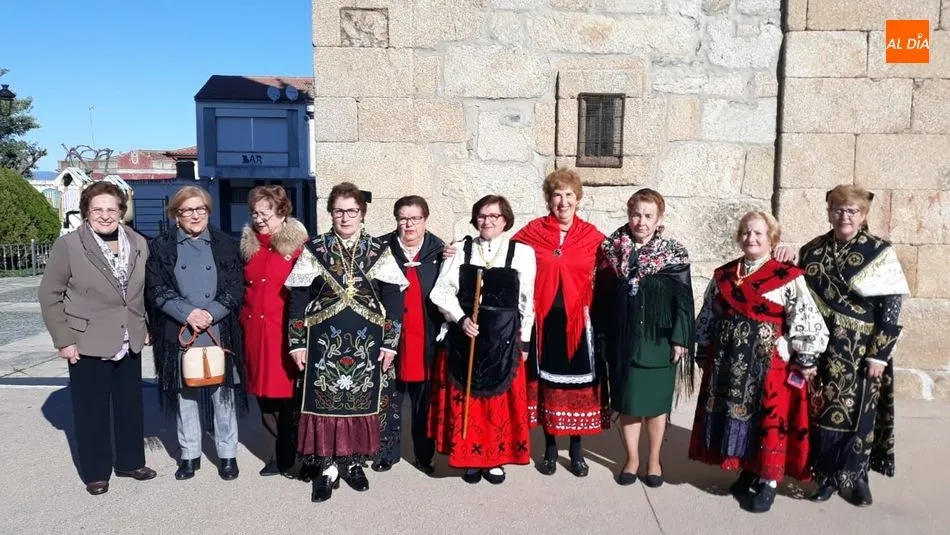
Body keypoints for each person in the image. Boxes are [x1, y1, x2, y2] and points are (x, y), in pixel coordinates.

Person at [688, 211, 829, 513]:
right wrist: (704, 349)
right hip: (729, 363)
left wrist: (802, 354)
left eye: (758, 233)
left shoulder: (787, 276)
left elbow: (804, 316)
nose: (751, 238)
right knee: (737, 416)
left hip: (769, 365)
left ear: (771, 239)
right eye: (746, 232)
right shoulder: (724, 275)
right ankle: (748, 468)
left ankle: (769, 481)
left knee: (768, 420)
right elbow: (709, 313)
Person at [784, 185, 909, 507]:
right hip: (822, 346)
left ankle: (856, 476)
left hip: (861, 349)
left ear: (863, 215)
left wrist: (880, 354)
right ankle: (826, 476)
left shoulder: (878, 251)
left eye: (852, 211)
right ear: (829, 213)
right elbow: (800, 299)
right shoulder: (812, 250)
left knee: (858, 413)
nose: (844, 217)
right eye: (838, 210)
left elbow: (891, 306)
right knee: (822, 410)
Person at [285, 182, 407, 503]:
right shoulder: (316, 248)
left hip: (368, 345)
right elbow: (298, 298)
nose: (345, 217)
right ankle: (327, 467)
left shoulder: (378, 250)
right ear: (331, 213)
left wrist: (391, 343)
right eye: (339, 211)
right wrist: (297, 342)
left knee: (360, 402)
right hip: (322, 344)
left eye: (352, 211)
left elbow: (393, 299)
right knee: (325, 405)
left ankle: (353, 462)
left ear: (362, 214)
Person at [38, 181, 156, 495]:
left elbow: (143, 290)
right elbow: (50, 295)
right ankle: (96, 472)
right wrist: (64, 339)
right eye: (97, 209)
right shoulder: (70, 245)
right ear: (86, 212)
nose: (105, 215)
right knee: (92, 411)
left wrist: (147, 325)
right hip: (86, 339)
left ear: (121, 211)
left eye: (111, 209)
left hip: (129, 336)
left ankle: (130, 462)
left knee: (130, 406)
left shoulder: (137, 242)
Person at [428, 195, 536, 485]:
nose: (487, 221)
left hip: (503, 342)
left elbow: (527, 300)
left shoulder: (522, 253)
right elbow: (441, 292)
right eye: (482, 216)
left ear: (505, 220)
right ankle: (469, 459)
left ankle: (495, 459)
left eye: (494, 216)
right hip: (466, 338)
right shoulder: (461, 250)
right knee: (467, 403)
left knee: (496, 405)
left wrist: (525, 341)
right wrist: (460, 318)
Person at [511, 168, 608, 477]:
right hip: (544, 320)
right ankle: (551, 449)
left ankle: (577, 451)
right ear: (548, 199)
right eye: (557, 195)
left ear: (578, 198)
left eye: (569, 195)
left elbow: (618, 261)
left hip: (578, 322)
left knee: (577, 386)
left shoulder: (592, 236)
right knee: (547, 386)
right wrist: (461, 246)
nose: (563, 202)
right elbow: (502, 252)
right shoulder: (533, 232)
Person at [145, 186, 246, 481]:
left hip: (218, 328)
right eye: (187, 210)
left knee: (222, 394)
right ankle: (190, 454)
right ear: (176, 215)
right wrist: (187, 313)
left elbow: (236, 286)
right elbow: (155, 288)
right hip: (180, 329)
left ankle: (227, 454)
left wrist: (211, 313)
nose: (195, 215)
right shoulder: (161, 247)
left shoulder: (225, 243)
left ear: (208, 212)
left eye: (200, 209)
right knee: (184, 395)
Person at [595, 188, 694, 488]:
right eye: (637, 214)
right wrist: (602, 335)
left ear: (659, 218)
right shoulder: (611, 249)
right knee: (628, 403)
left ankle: (653, 460)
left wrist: (680, 338)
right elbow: (602, 296)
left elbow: (684, 301)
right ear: (629, 215)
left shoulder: (674, 253)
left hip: (659, 340)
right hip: (622, 339)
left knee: (655, 406)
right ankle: (632, 459)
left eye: (648, 215)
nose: (642, 221)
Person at [372, 196, 446, 474]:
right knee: (388, 399)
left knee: (423, 404)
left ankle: (424, 455)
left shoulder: (440, 251)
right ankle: (386, 452)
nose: (409, 224)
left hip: (426, 340)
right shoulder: (381, 249)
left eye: (415, 218)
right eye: (403, 218)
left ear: (425, 220)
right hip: (390, 340)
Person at [239, 186, 308, 477]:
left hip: (284, 334)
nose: (258, 219)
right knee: (264, 396)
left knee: (290, 397)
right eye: (254, 213)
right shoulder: (248, 247)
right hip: (255, 332)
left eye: (265, 214)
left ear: (282, 213)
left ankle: (294, 453)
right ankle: (274, 456)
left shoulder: (300, 248)